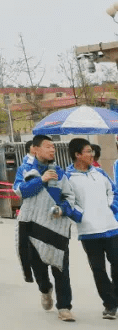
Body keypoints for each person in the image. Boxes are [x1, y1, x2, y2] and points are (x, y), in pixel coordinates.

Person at [13, 134, 77, 322]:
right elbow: (19, 191)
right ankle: (44, 289)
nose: (52, 150)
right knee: (38, 266)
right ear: (35, 149)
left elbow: (70, 197)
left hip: (56, 227)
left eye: (53, 147)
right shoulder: (25, 169)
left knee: (61, 267)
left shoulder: (59, 172)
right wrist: (40, 179)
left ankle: (64, 307)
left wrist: (61, 209)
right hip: (32, 226)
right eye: (48, 146)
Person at [64, 137, 118, 320]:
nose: (91, 154)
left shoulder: (100, 173)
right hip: (89, 232)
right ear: (77, 155)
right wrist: (80, 216)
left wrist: (112, 208)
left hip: (111, 228)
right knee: (99, 270)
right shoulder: (68, 177)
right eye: (87, 151)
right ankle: (109, 305)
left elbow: (113, 191)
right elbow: (67, 203)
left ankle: (115, 297)